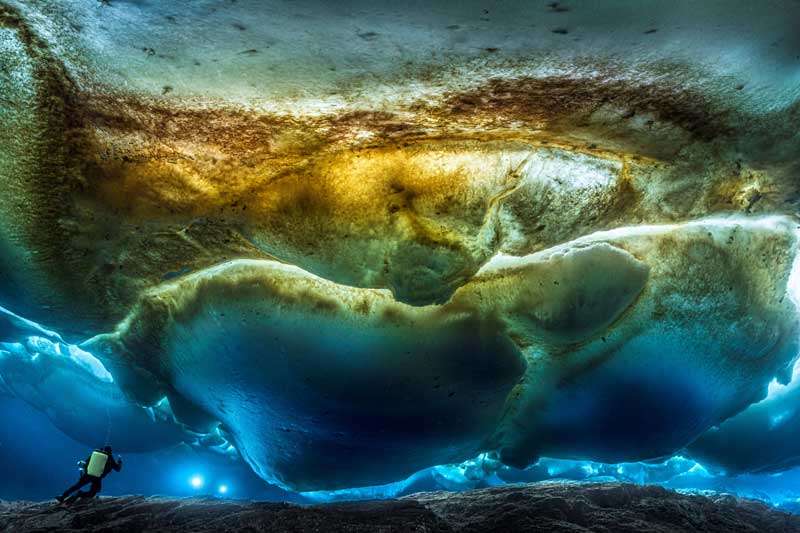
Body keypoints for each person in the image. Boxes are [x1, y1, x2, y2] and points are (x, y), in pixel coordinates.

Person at [57, 446, 122, 504]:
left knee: (76, 486)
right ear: (110, 452)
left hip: (88, 474)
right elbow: (118, 469)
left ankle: (63, 496)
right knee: (92, 494)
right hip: (97, 478)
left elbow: (86, 463)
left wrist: (84, 473)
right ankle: (79, 494)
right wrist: (119, 460)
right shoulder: (109, 457)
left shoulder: (95, 454)